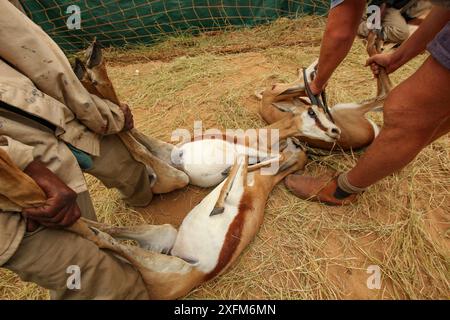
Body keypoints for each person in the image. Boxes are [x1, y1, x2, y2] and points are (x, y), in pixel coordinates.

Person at [0, 1, 151, 299]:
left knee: (130, 170)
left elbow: (42, 66)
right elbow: (48, 68)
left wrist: (104, 113)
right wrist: (23, 167)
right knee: (104, 278)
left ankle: (143, 202)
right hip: (17, 189)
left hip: (42, 119)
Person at [285, 1, 450, 205]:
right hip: (382, 12)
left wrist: (316, 84)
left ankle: (342, 191)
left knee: (403, 109)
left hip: (389, 13)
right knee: (436, 112)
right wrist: (396, 57)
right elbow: (444, 9)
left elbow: (340, 31)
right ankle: (392, 157)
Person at [357, 0, 432, 44]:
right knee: (402, 33)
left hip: (395, 9)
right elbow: (384, 3)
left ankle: (378, 31)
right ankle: (359, 26)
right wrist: (373, 32)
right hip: (379, 5)